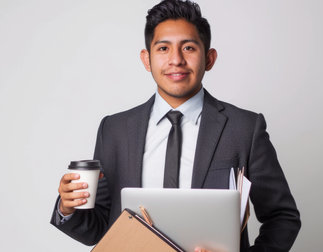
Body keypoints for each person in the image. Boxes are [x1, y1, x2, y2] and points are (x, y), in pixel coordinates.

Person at [50, 0, 301, 251]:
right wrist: (67, 208)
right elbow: (101, 227)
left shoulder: (245, 128)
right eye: (163, 49)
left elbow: (282, 217)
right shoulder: (114, 130)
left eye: (189, 48)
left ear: (209, 58)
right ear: (146, 59)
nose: (176, 60)